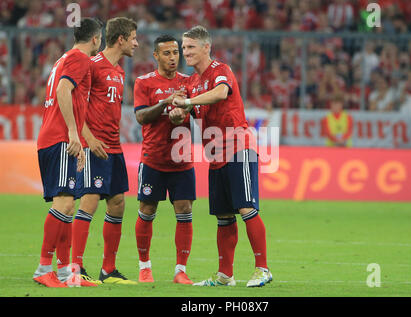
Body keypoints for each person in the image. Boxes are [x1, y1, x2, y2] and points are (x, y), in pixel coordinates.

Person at [172, 25, 272, 287]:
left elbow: (220, 93)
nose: (186, 52)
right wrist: (179, 113)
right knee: (224, 217)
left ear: (207, 47)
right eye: (184, 47)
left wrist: (189, 103)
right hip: (215, 155)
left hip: (238, 149)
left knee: (247, 209)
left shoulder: (221, 71)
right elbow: (194, 113)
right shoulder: (193, 83)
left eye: (191, 47)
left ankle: (262, 269)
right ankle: (225, 275)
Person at [33, 17, 103, 288]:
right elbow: (64, 90)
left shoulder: (63, 58)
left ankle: (64, 273)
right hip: (61, 138)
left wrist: (79, 142)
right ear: (95, 38)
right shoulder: (80, 59)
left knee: (68, 204)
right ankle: (43, 268)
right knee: (62, 204)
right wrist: (74, 133)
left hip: (57, 138)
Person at [71, 17, 139, 285]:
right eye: (133, 37)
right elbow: (77, 106)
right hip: (93, 146)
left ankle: (108, 270)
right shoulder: (92, 66)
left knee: (118, 203)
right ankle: (75, 267)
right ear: (120, 39)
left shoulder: (120, 72)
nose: (136, 42)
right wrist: (88, 138)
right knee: (89, 200)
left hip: (114, 147)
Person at [133, 34, 195, 284]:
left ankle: (180, 270)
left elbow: (198, 111)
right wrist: (165, 103)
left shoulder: (190, 82)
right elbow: (141, 117)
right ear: (156, 56)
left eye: (175, 52)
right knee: (147, 210)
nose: (172, 57)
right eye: (166, 53)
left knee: (185, 210)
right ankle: (145, 267)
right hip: (153, 160)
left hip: (182, 162)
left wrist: (184, 110)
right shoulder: (144, 83)